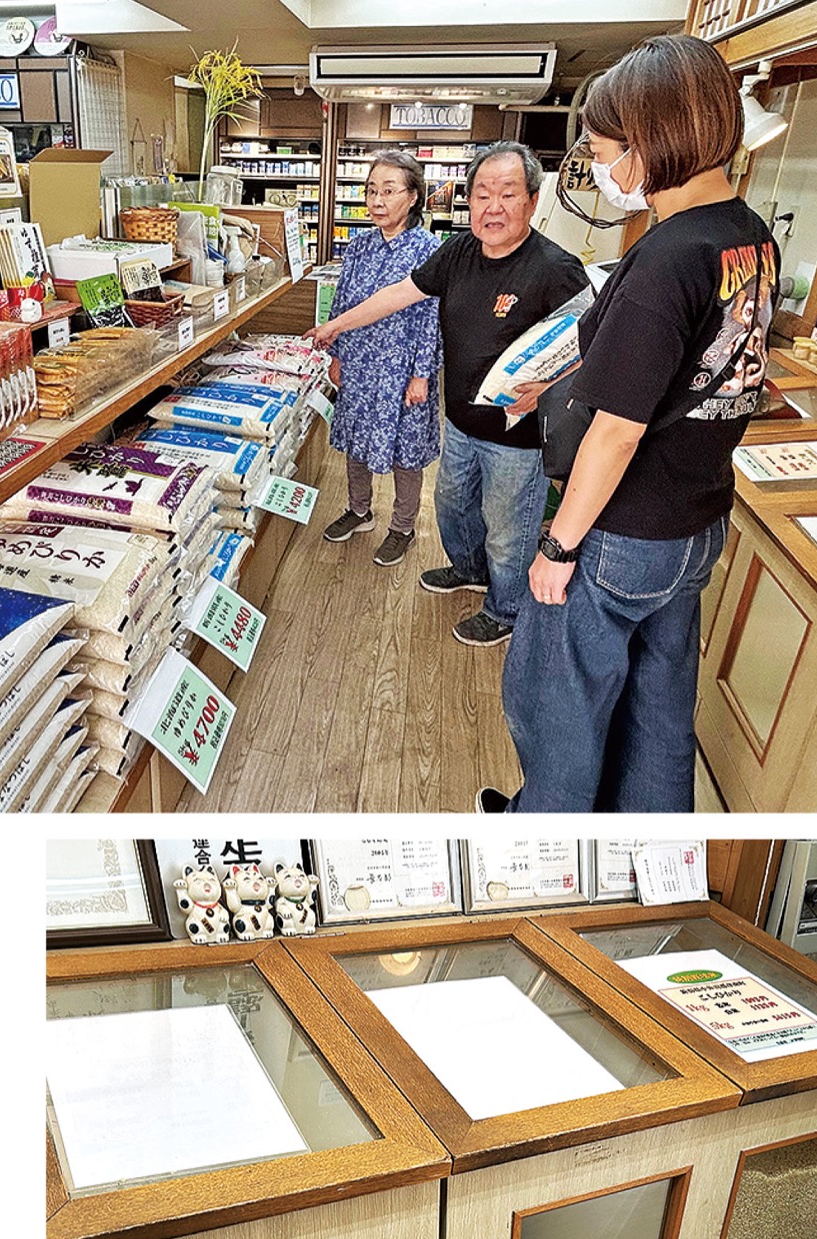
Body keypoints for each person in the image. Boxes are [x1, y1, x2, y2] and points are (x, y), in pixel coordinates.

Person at [483, 32, 778, 813]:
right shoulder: (747, 235)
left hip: (620, 533)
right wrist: (550, 388)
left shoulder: (666, 256)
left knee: (558, 712)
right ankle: (648, 850)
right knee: (658, 716)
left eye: (605, 148)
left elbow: (617, 432)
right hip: (696, 522)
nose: (601, 167)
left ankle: (544, 841)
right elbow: (690, 372)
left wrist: (558, 546)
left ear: (648, 143)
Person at [311, 141, 588, 645]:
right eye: (482, 194)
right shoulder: (459, 251)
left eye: (508, 194)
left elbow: (592, 343)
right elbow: (399, 296)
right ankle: (469, 570)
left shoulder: (555, 267)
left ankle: (505, 610)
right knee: (453, 506)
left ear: (532, 199)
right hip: (460, 419)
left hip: (516, 434)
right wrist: (335, 328)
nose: (493, 207)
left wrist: (546, 388)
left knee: (507, 530)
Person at [320, 151, 442, 567]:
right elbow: (342, 301)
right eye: (372, 190)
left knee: (405, 449)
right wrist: (336, 353)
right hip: (359, 361)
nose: (377, 200)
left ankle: (403, 527)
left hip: (402, 367)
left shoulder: (429, 249)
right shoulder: (359, 245)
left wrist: (422, 374)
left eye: (389, 191)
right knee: (356, 437)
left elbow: (433, 317)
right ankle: (359, 510)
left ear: (413, 196)